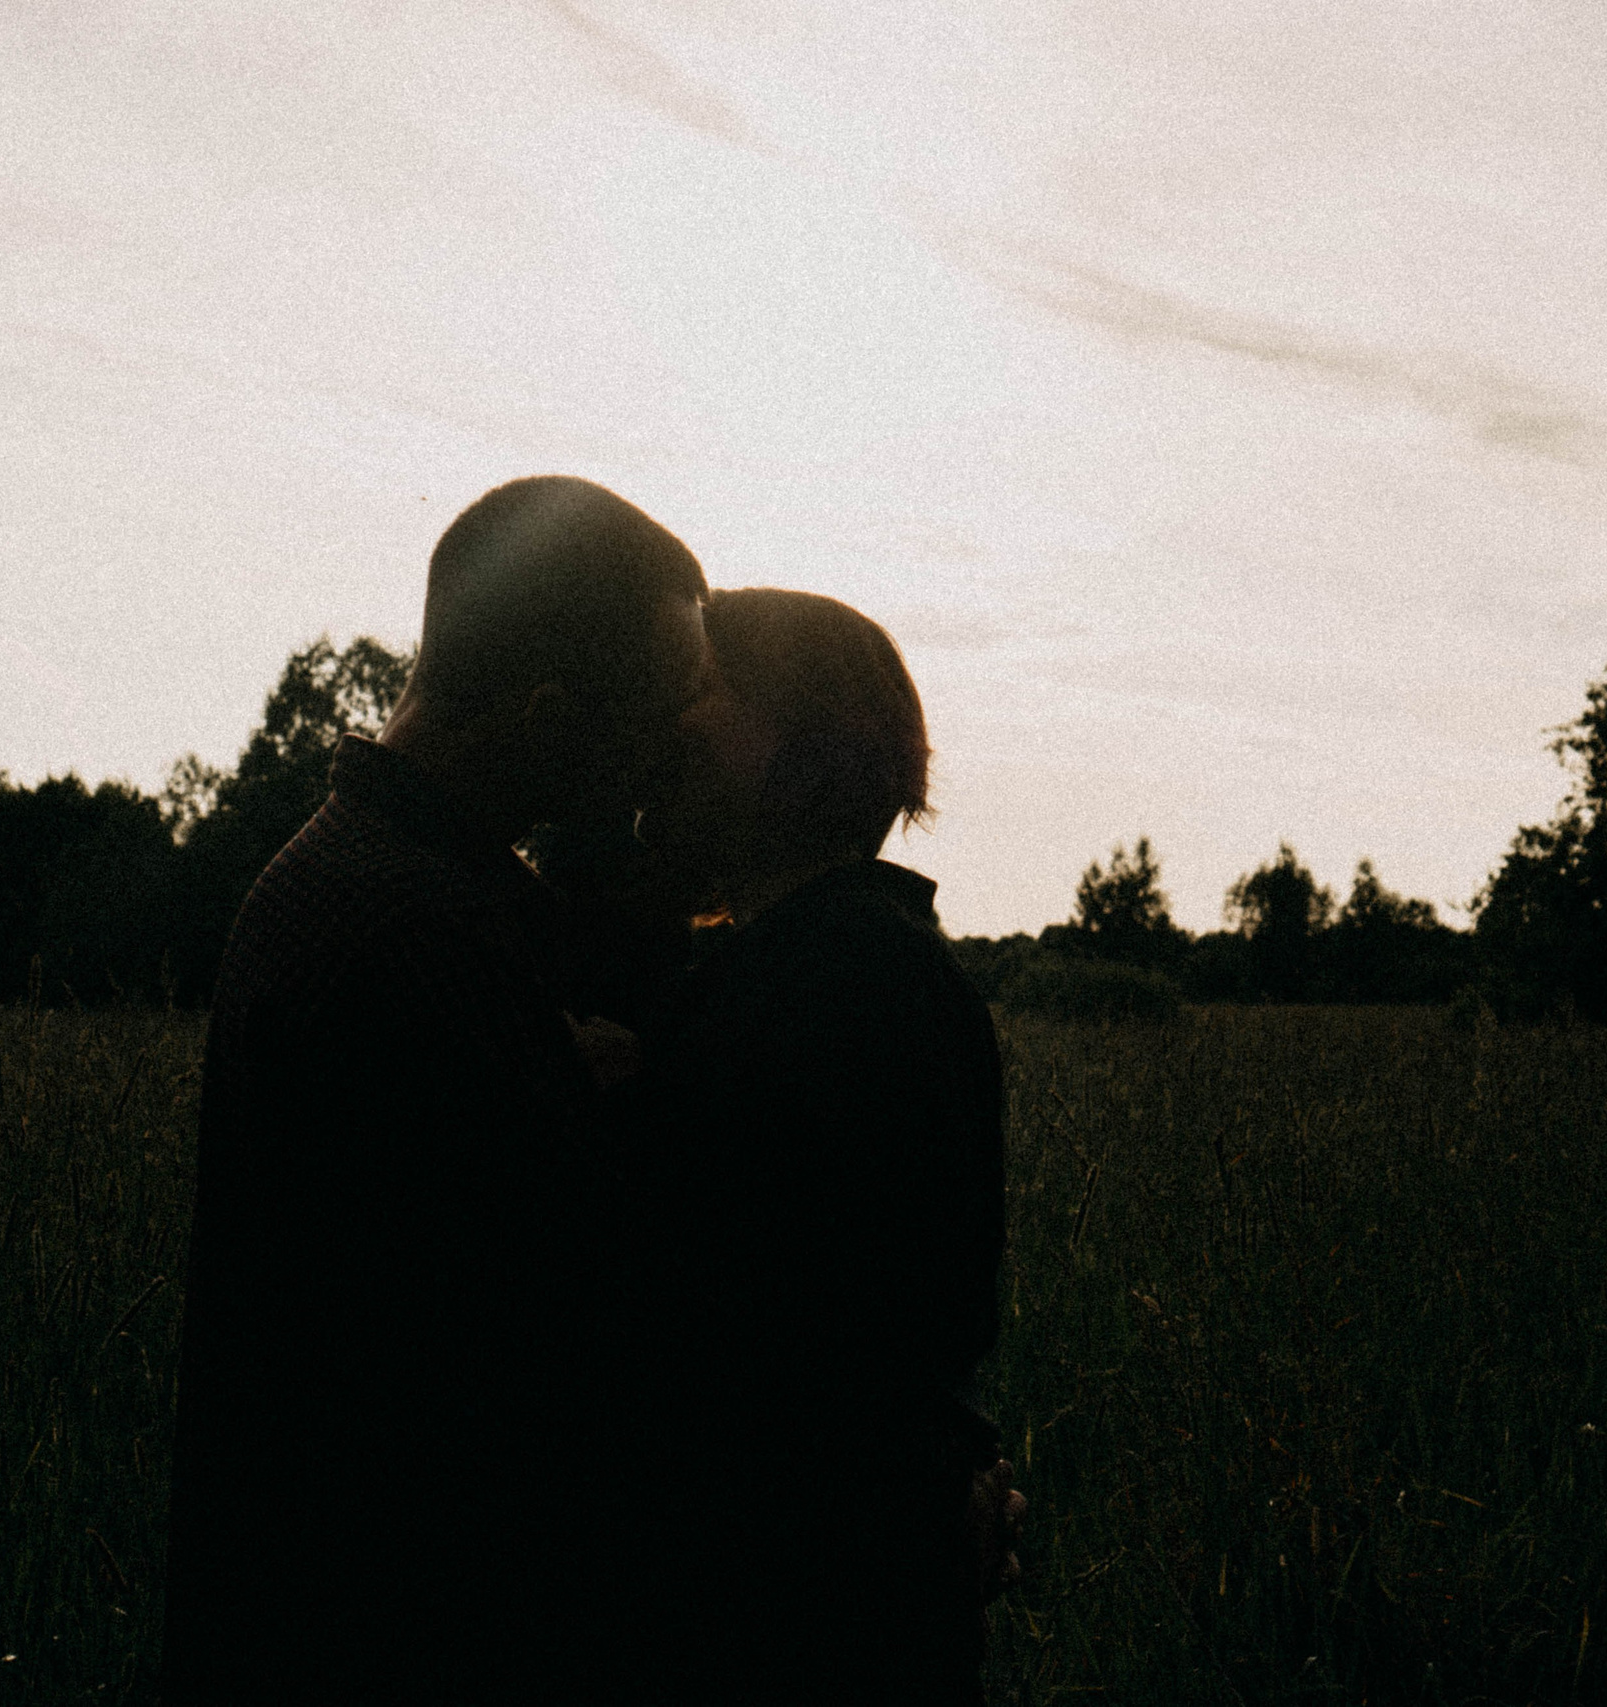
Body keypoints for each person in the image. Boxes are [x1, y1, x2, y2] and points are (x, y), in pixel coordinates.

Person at [159, 476, 710, 1703]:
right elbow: (564, 1344)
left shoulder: (350, 875)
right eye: (661, 720)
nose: (676, 751)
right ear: (549, 715)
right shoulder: (422, 936)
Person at [608, 587, 1021, 1704]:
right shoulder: (825, 959)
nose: (663, 721)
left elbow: (801, 1345)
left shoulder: (841, 980)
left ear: (799, 739)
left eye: (697, 692)